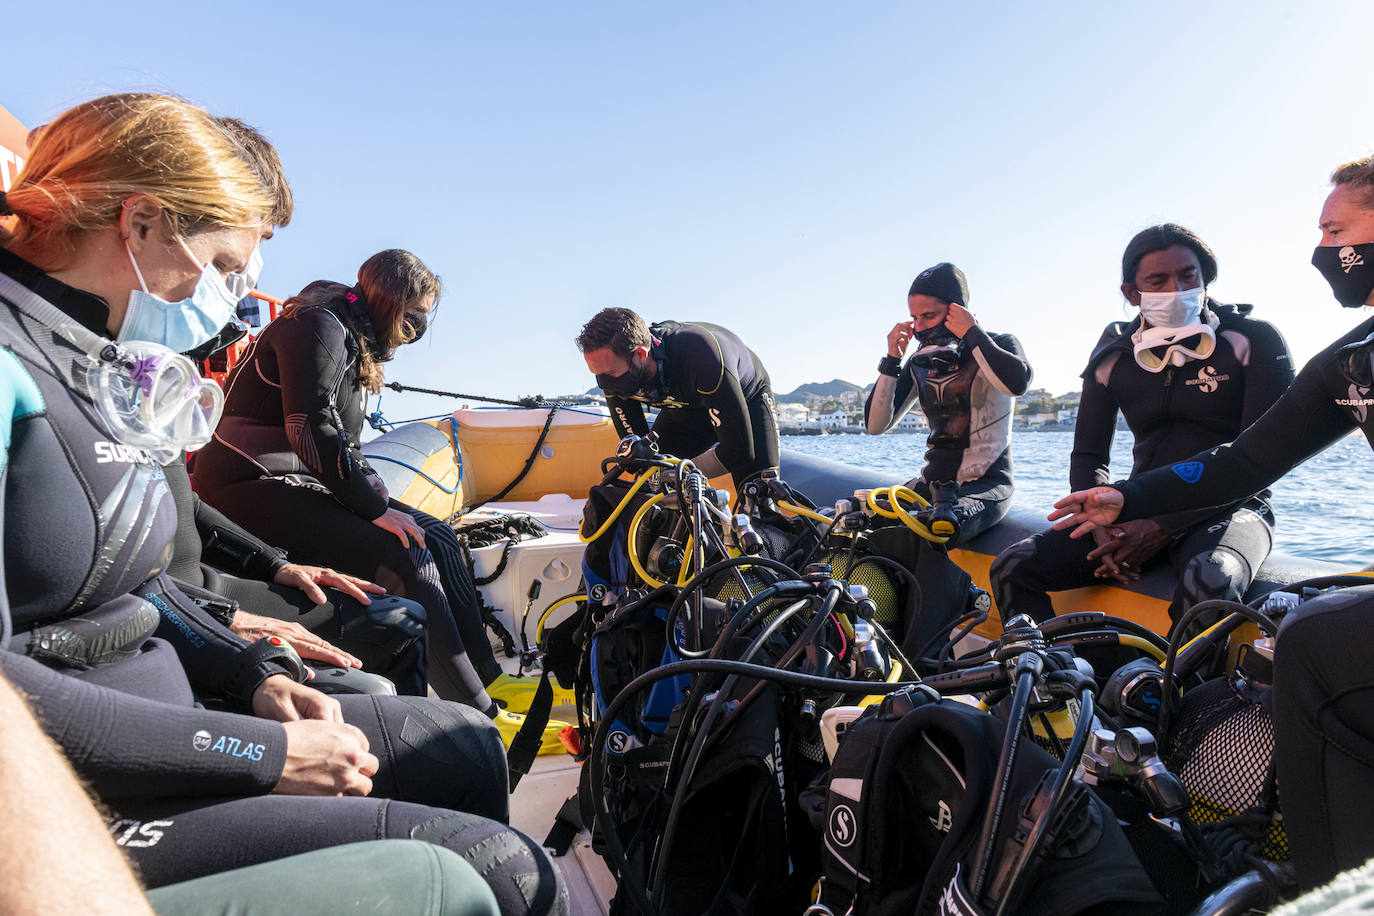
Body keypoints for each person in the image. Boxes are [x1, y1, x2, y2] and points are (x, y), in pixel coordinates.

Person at [0, 92, 565, 914]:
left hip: (169, 707)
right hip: (84, 793)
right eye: (227, 267)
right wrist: (259, 750)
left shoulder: (100, 369)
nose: (229, 298)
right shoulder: (19, 368)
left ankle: (480, 703)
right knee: (499, 870)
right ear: (144, 223)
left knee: (463, 749)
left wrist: (252, 669)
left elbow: (146, 582)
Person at [1049, 156, 1374, 891]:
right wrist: (1123, 502)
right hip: (1167, 508)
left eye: (1335, 229)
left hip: (1227, 526)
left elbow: (1241, 487)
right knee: (1307, 640)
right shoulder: (1349, 363)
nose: (1322, 251)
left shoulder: (1253, 340)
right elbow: (1242, 460)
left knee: (1310, 639)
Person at [190, 253, 518, 716]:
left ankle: (494, 679)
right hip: (245, 484)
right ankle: (480, 711)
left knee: (438, 536)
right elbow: (309, 424)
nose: (416, 333)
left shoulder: (352, 337)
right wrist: (375, 510)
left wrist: (382, 503)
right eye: (414, 320)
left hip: (294, 480)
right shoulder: (317, 325)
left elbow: (349, 447)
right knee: (406, 553)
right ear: (390, 304)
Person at [0, 668, 501, 916]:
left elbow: (150, 592)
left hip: (179, 710)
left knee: (466, 745)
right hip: (70, 792)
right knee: (488, 869)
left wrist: (258, 670)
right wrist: (270, 752)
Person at [989, 226, 1293, 629]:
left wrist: (1162, 528)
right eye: (1158, 280)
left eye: (1189, 276)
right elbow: (1088, 455)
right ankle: (1057, 680)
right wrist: (1099, 525)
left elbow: (1265, 455)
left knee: (1210, 579)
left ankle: (1185, 691)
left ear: (1206, 280)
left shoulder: (1251, 338)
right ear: (1133, 293)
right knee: (1013, 565)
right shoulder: (1114, 355)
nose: (1177, 287)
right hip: (1135, 504)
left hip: (1233, 505)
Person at [864, 262, 1032, 544]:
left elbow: (1017, 384)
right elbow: (875, 426)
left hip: (986, 486)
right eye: (914, 318)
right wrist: (893, 360)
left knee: (936, 529)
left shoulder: (998, 343)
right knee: (857, 522)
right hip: (931, 486)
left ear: (957, 310)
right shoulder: (919, 363)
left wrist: (972, 332)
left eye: (929, 316)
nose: (919, 327)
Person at [576, 307, 779, 486]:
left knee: (759, 494)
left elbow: (739, 451)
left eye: (610, 374)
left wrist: (676, 474)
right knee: (649, 479)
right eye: (597, 374)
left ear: (640, 354)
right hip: (685, 411)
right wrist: (658, 474)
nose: (604, 384)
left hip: (747, 398)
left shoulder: (701, 355)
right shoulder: (612, 372)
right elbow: (639, 458)